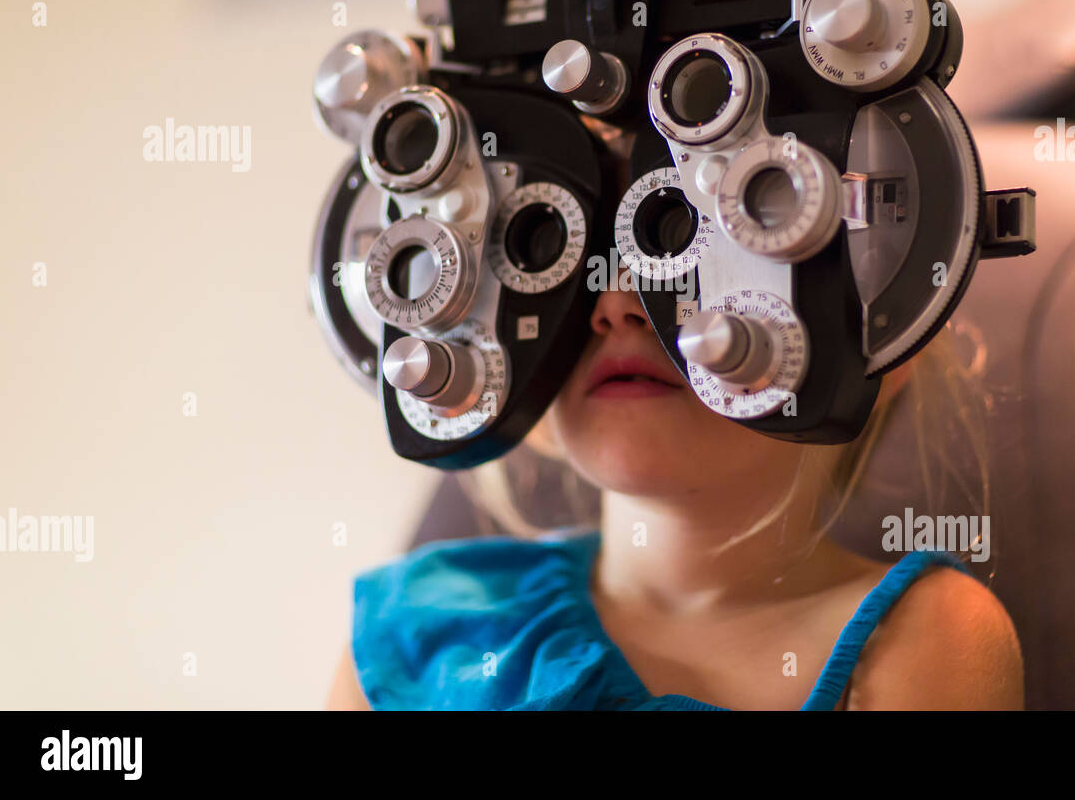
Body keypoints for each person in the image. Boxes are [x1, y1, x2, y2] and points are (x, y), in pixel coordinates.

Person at [325, 160, 1024, 708]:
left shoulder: (925, 637)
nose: (618, 305)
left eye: (693, 242)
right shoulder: (405, 636)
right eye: (560, 257)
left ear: (875, 341)